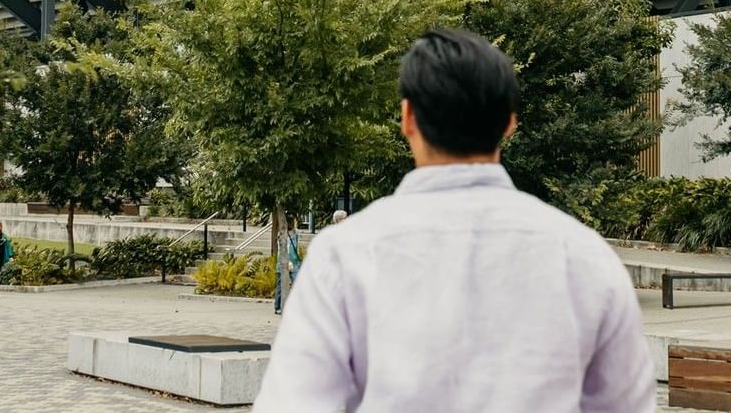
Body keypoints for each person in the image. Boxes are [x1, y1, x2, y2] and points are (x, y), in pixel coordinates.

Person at [253, 28, 654, 413]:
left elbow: (291, 403)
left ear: (407, 117)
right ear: (509, 124)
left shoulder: (345, 253)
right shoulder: (586, 256)